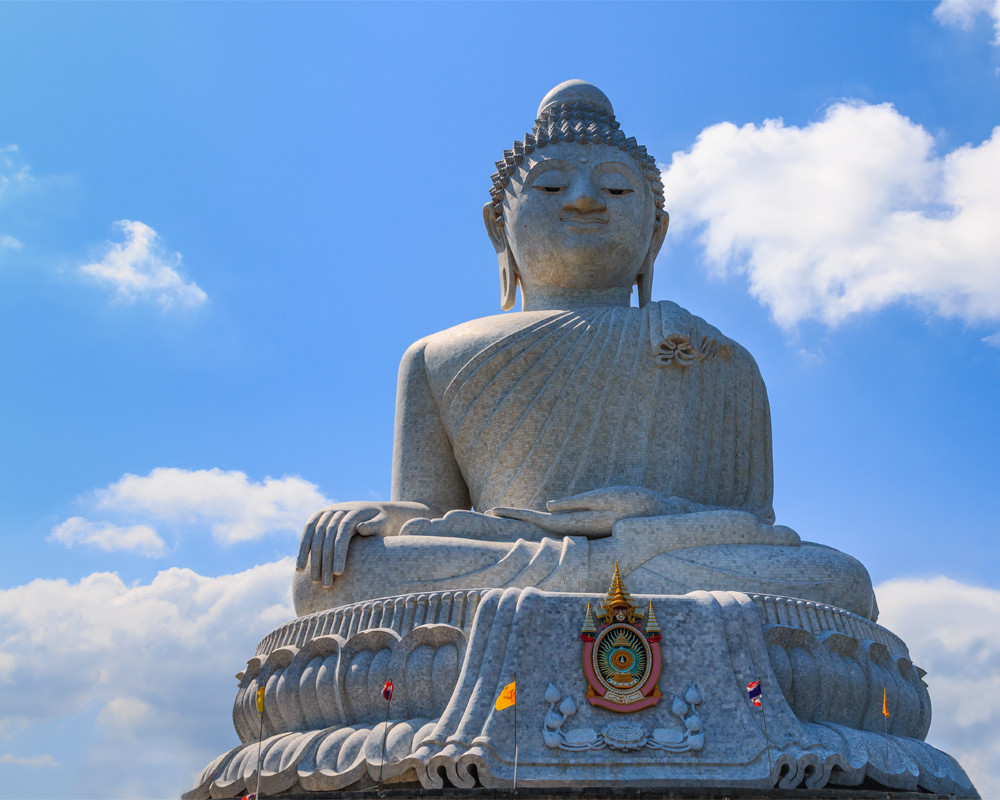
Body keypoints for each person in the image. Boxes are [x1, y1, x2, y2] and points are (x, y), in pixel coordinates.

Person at [293, 81, 876, 620]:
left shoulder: (716, 356)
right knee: (332, 576)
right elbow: (430, 513)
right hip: (513, 552)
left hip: (658, 556)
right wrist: (381, 519)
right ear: (499, 228)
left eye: (617, 188)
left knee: (838, 579)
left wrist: (643, 518)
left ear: (655, 232)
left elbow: (747, 529)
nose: (583, 201)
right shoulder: (433, 357)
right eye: (549, 185)